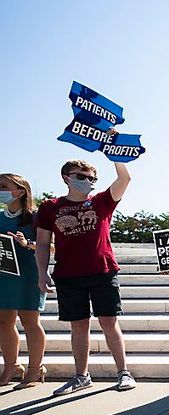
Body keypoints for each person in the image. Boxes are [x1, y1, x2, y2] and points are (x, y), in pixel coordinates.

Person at [35, 158, 136, 395]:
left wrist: (116, 157)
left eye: (92, 178)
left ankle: (123, 372)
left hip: (103, 270)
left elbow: (124, 179)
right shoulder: (50, 206)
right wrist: (42, 272)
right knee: (78, 326)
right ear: (66, 178)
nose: (87, 181)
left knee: (109, 322)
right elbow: (42, 243)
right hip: (68, 274)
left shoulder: (102, 201)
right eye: (81, 177)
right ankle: (81, 376)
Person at [0, 173, 47, 389]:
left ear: (19, 191)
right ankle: (11, 366)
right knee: (3, 322)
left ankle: (35, 369)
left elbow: (52, 247)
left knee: (30, 321)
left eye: (3, 186)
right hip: (4, 275)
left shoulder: (37, 217)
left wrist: (27, 243)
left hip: (29, 274)